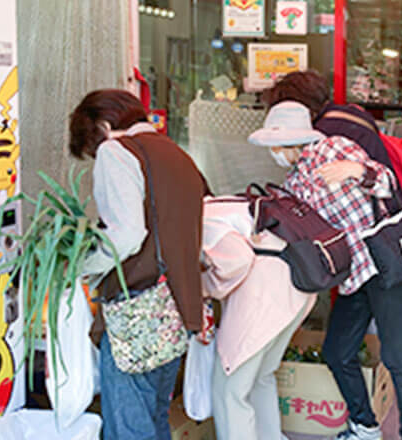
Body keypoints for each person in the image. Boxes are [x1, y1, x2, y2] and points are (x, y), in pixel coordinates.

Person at [249, 101, 402, 440]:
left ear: (292, 140)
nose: (273, 152)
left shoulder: (336, 147)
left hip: (381, 264)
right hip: (352, 275)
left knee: (399, 356)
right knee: (337, 351)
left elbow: (387, 182)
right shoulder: (295, 179)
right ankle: (365, 425)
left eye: (275, 145)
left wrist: (358, 172)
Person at [263, 70, 402, 375]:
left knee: (382, 324)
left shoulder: (327, 135)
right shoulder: (350, 114)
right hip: (383, 227)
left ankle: (401, 371)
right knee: (388, 314)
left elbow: (344, 190)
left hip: (368, 241)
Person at [70, 89, 207, 439]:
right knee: (156, 418)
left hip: (137, 311)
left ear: (102, 126)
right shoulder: (178, 154)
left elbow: (128, 233)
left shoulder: (117, 152)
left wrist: (80, 263)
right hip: (178, 310)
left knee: (129, 427)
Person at [201, 195, 316, 440]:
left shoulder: (204, 217)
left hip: (264, 300)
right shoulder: (232, 203)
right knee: (262, 377)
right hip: (298, 291)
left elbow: (237, 261)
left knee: (230, 390)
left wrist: (202, 287)